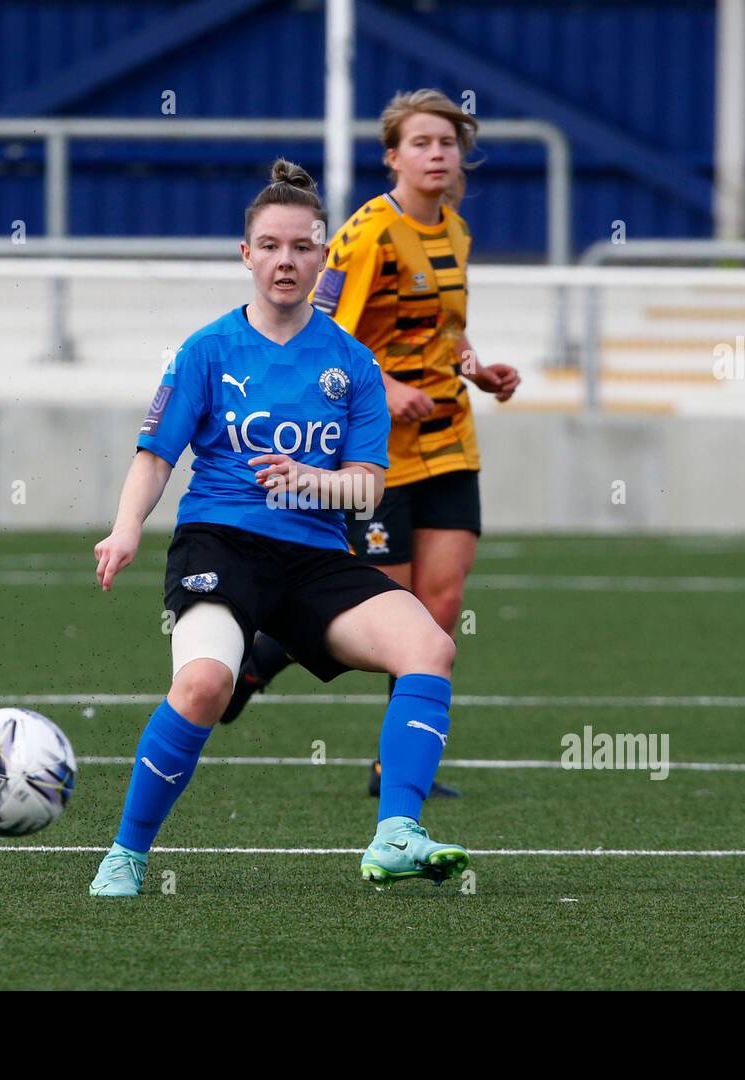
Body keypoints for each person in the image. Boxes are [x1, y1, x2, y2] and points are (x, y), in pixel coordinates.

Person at [88, 158, 470, 897]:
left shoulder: (351, 364)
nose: (285, 261)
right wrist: (126, 526)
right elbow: (154, 455)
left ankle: (396, 833)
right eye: (269, 246)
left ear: (322, 255)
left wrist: (311, 482)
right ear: (246, 255)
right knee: (203, 685)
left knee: (430, 646)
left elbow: (365, 490)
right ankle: (126, 854)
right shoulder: (206, 350)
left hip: (317, 558)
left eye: (300, 247)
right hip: (221, 545)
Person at [220, 90, 520, 802]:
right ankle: (262, 657)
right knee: (385, 606)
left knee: (439, 606)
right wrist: (380, 386)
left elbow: (445, 333)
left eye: (447, 143)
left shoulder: (456, 231)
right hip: (375, 452)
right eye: (421, 143)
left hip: (449, 439)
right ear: (393, 156)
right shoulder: (364, 235)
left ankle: (396, 767)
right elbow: (318, 331)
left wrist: (477, 369)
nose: (437, 154)